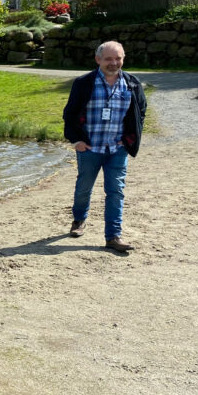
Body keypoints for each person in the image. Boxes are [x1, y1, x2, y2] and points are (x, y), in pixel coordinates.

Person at [62, 41, 147, 252]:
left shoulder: (132, 84)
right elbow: (70, 114)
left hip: (117, 149)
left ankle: (113, 236)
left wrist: (129, 140)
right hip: (89, 148)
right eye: (109, 58)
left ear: (123, 59)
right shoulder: (84, 83)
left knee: (116, 191)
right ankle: (79, 219)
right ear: (98, 59)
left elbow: (140, 113)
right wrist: (76, 141)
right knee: (84, 189)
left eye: (118, 58)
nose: (114, 63)